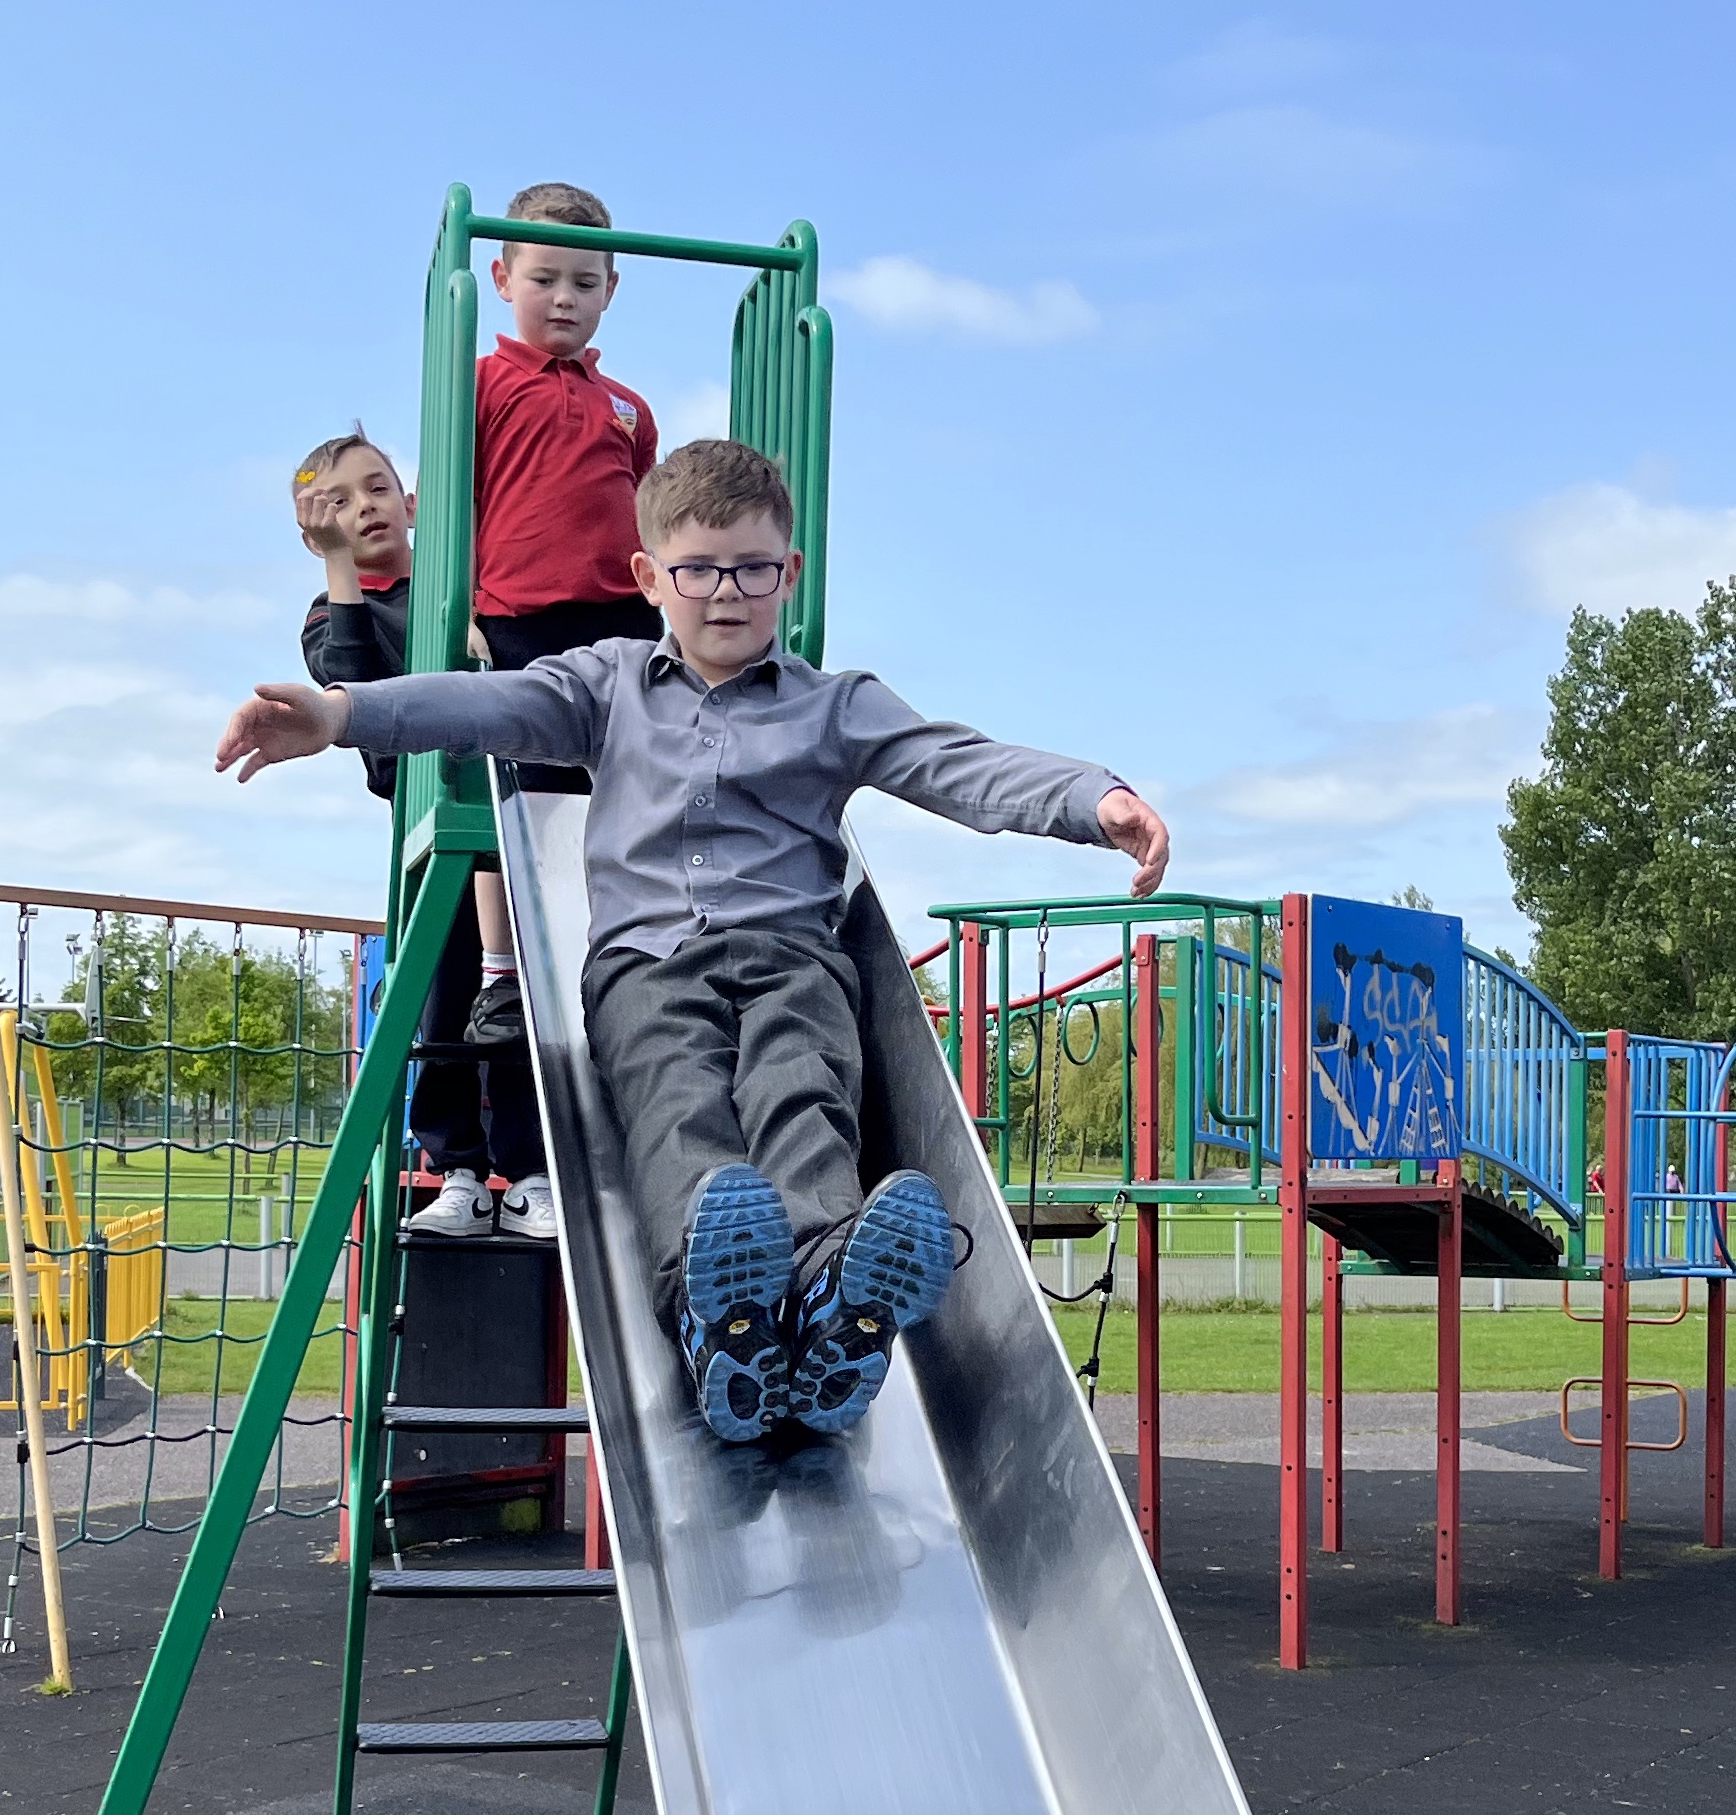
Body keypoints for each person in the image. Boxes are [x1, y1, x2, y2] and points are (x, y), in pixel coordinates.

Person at [217, 435, 1169, 1445]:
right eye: (699, 570)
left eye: (752, 569)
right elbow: (485, 702)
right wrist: (341, 713)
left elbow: (955, 762)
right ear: (648, 578)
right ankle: (721, 1322)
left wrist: (1091, 799)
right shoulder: (607, 684)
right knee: (681, 1108)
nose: (725, 593)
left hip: (793, 956)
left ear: (788, 574)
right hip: (648, 967)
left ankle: (829, 1300)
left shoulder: (835, 707)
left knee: (802, 1093)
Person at [290, 423, 554, 1241]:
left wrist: (470, 612)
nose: (363, 507)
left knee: (518, 1000)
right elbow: (353, 687)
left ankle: (531, 1171)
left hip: (503, 818)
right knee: (444, 999)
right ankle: (460, 1171)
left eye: (375, 488)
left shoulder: (470, 591)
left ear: (410, 504)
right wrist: (339, 568)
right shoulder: (336, 613)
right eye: (338, 503)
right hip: (429, 824)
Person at [457, 181, 663, 1058]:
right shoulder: (479, 384)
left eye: (584, 282)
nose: (564, 298)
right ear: (503, 279)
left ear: (611, 289)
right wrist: (461, 602)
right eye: (545, 279)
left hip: (621, 624)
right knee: (521, 801)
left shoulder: (629, 408)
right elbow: (459, 498)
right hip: (519, 620)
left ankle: (631, 950)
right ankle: (503, 973)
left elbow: (648, 516)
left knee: (625, 795)